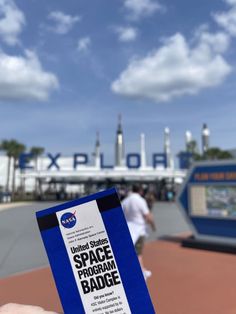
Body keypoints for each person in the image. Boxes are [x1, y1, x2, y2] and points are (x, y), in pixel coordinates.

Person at [122, 184, 156, 280]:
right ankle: (141, 272)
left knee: (132, 252)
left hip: (128, 229)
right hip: (139, 230)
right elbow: (147, 215)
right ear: (140, 191)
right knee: (138, 252)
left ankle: (141, 270)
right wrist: (153, 225)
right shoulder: (140, 201)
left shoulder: (125, 201)